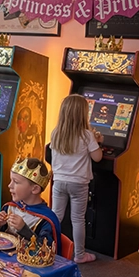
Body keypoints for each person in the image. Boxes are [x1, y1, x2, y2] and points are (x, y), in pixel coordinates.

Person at [49, 94, 104, 263]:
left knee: (55, 217)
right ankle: (80, 255)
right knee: (78, 219)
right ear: (83, 114)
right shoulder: (87, 135)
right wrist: (98, 141)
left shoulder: (56, 132)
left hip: (58, 181)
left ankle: (48, 248)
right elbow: (98, 158)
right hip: (78, 183)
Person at [0, 158, 62, 252]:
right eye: (11, 180)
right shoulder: (10, 207)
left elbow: (47, 252)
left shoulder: (45, 220)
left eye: (16, 182)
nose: (9, 185)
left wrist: (24, 230)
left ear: (35, 189)